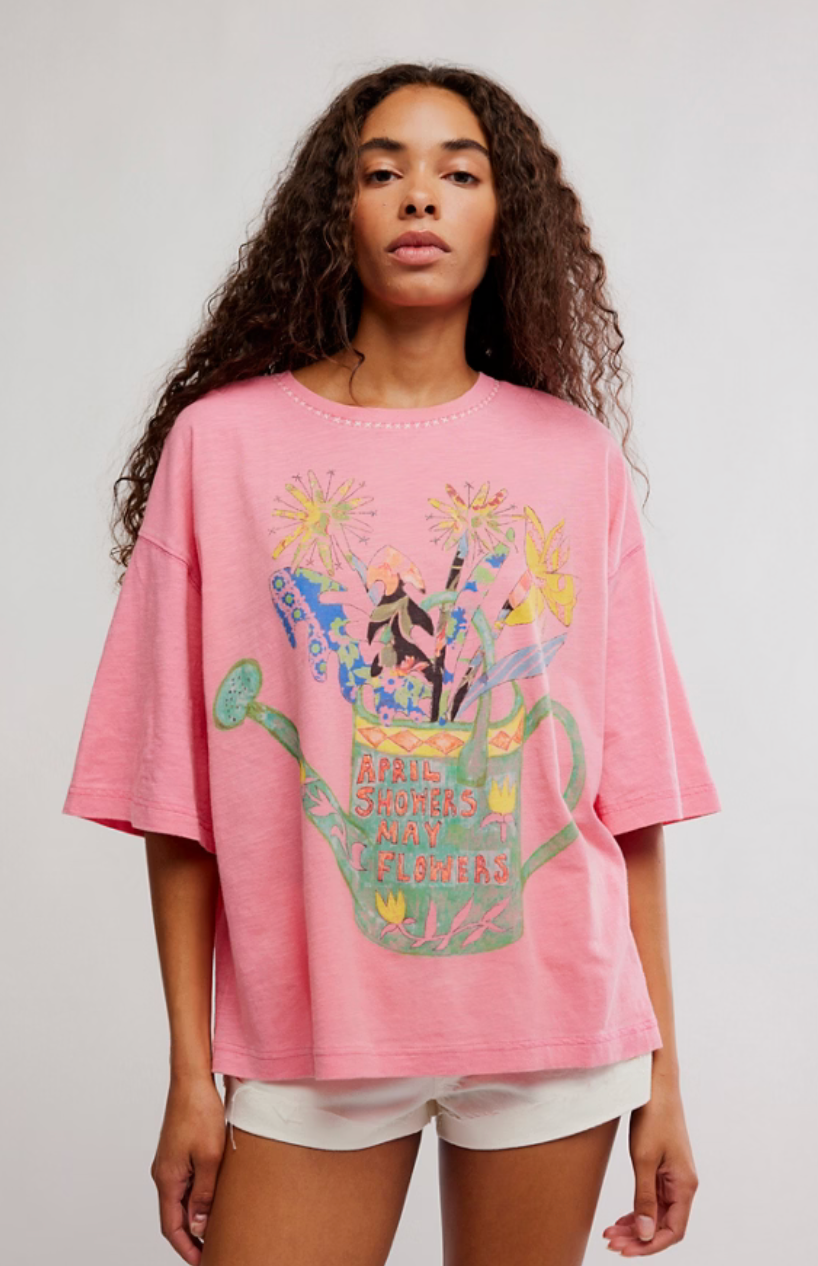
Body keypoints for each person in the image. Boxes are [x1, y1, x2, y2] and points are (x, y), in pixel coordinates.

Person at [62, 62, 721, 1266]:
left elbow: (623, 800)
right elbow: (176, 798)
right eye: (382, 171)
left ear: (503, 218)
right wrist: (191, 1074)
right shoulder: (222, 448)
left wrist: (662, 1078)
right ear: (337, 214)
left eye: (458, 172)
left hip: (554, 1028)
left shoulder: (571, 458)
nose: (419, 195)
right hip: (308, 1034)